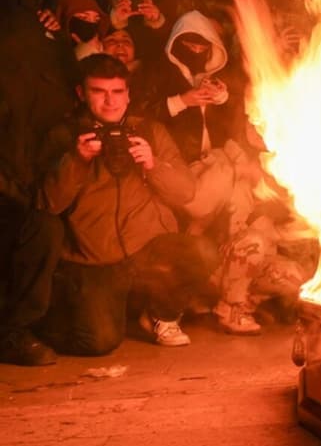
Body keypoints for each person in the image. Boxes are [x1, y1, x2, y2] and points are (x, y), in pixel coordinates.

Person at [37, 54, 216, 353]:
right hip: (95, 258)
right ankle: (65, 314)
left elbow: (186, 192)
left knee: (202, 252)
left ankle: (161, 315)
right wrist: (78, 160)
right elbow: (48, 204)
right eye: (99, 91)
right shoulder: (64, 135)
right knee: (98, 342)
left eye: (117, 91)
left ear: (128, 94)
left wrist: (153, 165)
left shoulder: (149, 131)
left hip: (145, 247)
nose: (110, 101)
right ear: (81, 93)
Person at [0, 0, 74, 365]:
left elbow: (66, 83)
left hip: (33, 158)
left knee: (39, 232)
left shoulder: (43, 21)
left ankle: (15, 331)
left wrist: (54, 33)